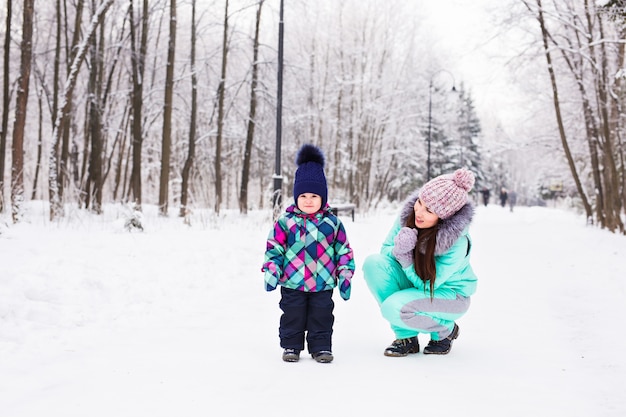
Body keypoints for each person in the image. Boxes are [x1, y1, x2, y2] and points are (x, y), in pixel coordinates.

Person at [362, 168, 477, 357]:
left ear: (444, 217)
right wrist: (399, 249)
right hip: (418, 284)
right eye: (420, 202)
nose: (419, 212)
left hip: (450, 295)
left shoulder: (457, 243)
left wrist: (406, 257)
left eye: (429, 210)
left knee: (392, 308)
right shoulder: (409, 217)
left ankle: (445, 330)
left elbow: (428, 284)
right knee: (373, 263)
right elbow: (386, 251)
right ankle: (406, 336)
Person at [262, 144, 355, 364]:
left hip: (322, 283)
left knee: (321, 315)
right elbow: (274, 248)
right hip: (292, 282)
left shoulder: (332, 224)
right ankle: (291, 346)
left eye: (314, 195)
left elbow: (343, 250)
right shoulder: (285, 223)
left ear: (323, 197)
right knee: (292, 314)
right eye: (303, 195)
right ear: (296, 197)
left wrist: (345, 275)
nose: (309, 200)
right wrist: (272, 270)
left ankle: (321, 347)